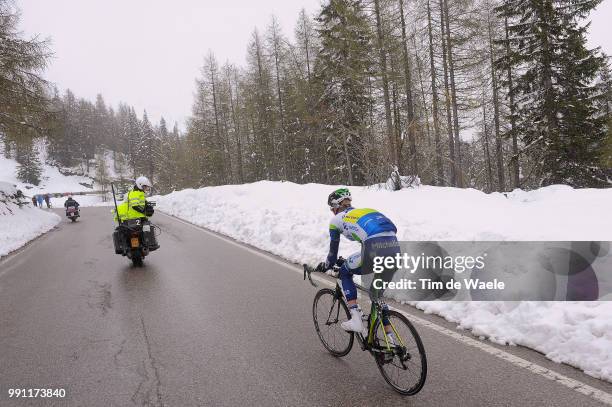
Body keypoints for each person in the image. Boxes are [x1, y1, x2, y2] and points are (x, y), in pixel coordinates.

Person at [317, 188, 401, 337]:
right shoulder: (365, 212)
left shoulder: (336, 220)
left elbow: (332, 253)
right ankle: (392, 341)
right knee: (376, 295)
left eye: (332, 209)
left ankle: (355, 318)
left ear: (336, 206)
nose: (332, 212)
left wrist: (327, 265)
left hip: (374, 248)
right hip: (394, 249)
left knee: (344, 271)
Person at [113, 176, 157, 252]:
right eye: (145, 187)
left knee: (147, 228)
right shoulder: (135, 193)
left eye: (146, 187)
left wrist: (148, 207)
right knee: (147, 227)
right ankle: (149, 244)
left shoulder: (140, 194)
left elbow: (143, 204)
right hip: (135, 219)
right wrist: (145, 211)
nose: (146, 189)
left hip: (135, 219)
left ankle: (147, 243)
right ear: (140, 185)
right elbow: (135, 206)